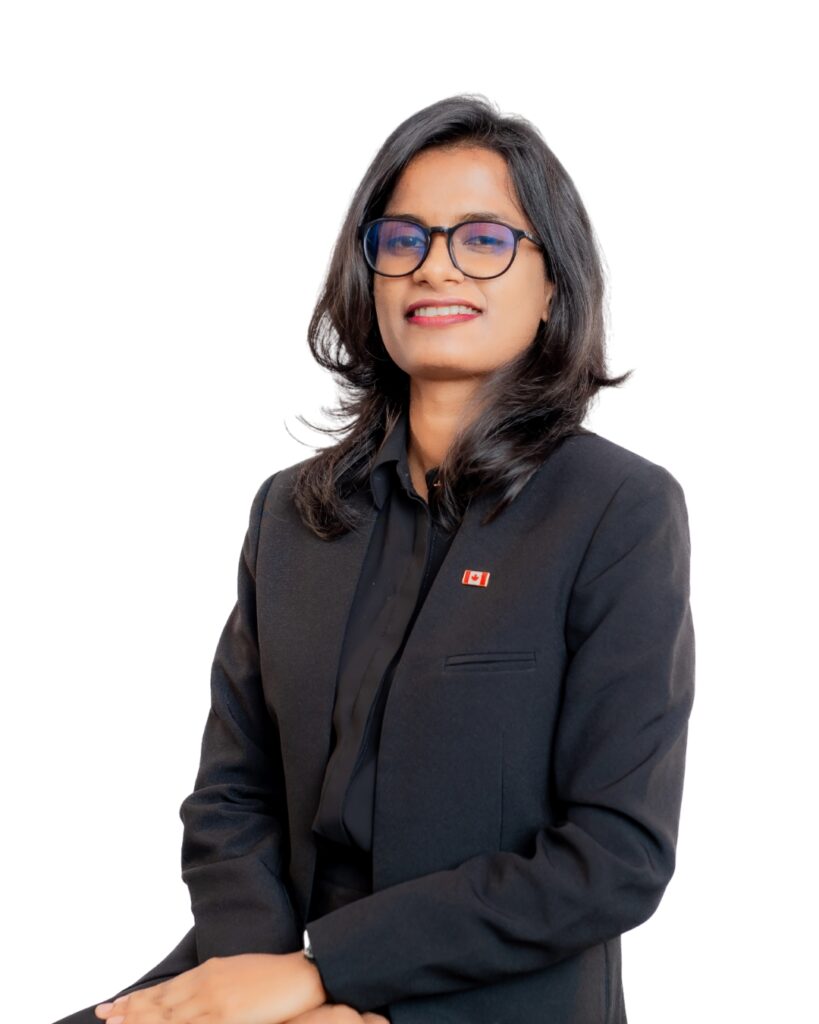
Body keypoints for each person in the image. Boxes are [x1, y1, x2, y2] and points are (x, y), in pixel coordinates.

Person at [53, 93, 695, 1024]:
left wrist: (330, 974)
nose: (435, 266)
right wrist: (265, 979)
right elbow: (231, 794)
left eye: (483, 239)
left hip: (484, 988)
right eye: (403, 240)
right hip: (263, 960)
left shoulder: (616, 509)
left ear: (554, 285)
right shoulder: (292, 511)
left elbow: (614, 856)